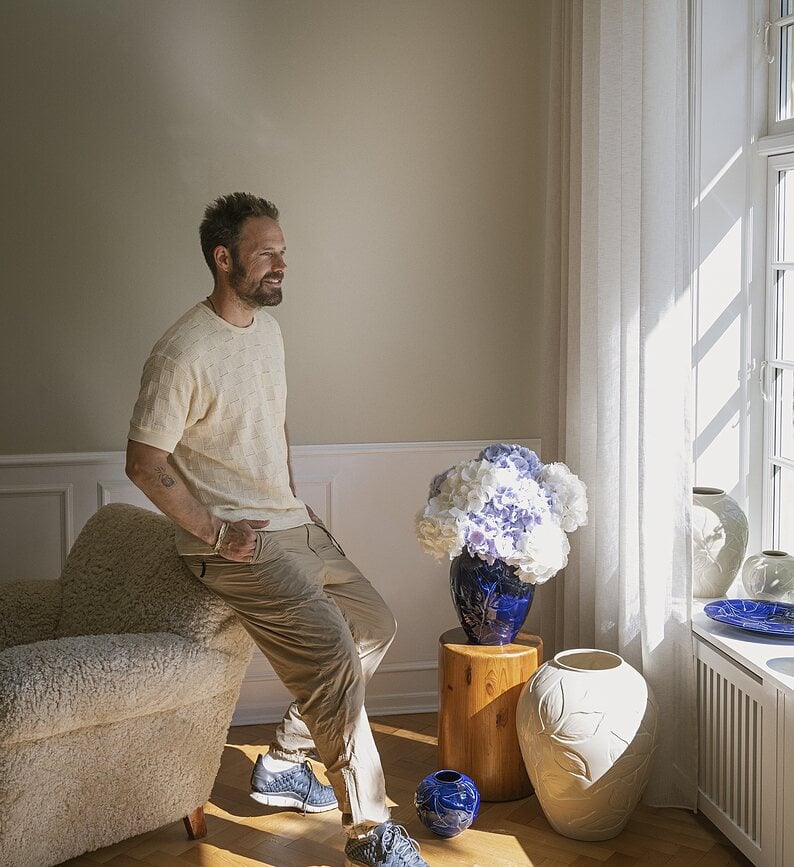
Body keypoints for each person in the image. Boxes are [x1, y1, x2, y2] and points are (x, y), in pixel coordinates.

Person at [126, 193, 429, 867]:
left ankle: (287, 758)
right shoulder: (181, 351)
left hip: (290, 519)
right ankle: (371, 833)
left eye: (283, 251)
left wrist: (291, 496)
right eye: (266, 253)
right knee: (331, 655)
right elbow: (144, 462)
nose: (282, 264)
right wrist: (215, 532)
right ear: (223, 258)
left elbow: (273, 424)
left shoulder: (267, 332)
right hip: (234, 543)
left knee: (375, 624)